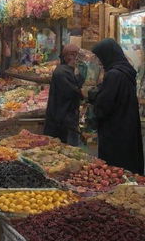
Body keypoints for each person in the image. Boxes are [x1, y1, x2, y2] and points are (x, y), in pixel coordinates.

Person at [89, 39, 144, 175]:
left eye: (100, 57)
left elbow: (104, 104)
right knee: (127, 164)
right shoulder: (126, 71)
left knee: (115, 167)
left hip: (115, 129)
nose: (100, 61)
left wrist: (93, 99)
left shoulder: (114, 75)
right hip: (127, 124)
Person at [44, 44, 84, 146]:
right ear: (68, 56)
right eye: (75, 55)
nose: (78, 58)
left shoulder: (67, 70)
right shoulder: (62, 72)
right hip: (62, 120)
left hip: (65, 119)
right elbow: (74, 91)